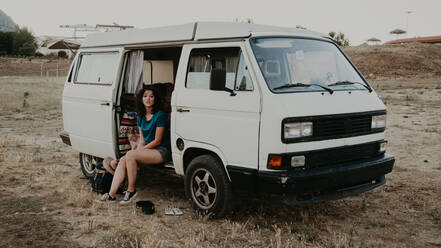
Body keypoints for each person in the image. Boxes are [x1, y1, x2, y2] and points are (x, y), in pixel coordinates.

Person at [99, 85, 171, 204]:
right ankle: (111, 195)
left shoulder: (160, 115)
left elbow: (157, 141)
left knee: (131, 155)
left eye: (151, 96)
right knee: (124, 159)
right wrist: (137, 149)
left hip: (161, 150)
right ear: (141, 99)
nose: (148, 99)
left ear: (155, 99)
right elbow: (142, 140)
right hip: (148, 149)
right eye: (145, 96)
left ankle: (131, 190)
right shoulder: (140, 116)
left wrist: (138, 152)